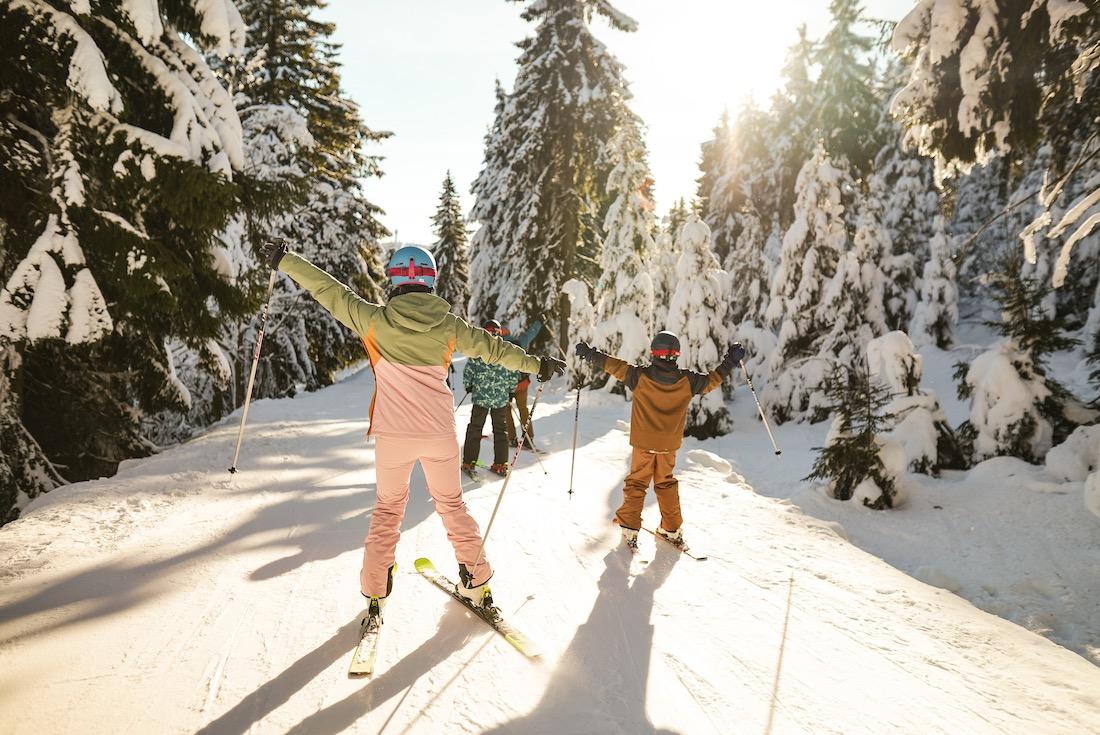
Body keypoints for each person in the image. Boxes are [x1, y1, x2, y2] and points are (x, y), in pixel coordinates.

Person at [260, 241, 565, 624]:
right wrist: (536, 364)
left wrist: (286, 260)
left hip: (393, 436)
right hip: (438, 433)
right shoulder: (450, 325)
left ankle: (375, 590)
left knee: (388, 508)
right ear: (431, 281)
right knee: (452, 506)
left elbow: (329, 289)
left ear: (393, 280)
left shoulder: (373, 320)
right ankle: (476, 581)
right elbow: (494, 349)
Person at [573, 331, 745, 549]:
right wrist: (730, 361)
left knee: (637, 481)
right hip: (668, 445)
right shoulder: (688, 380)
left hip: (643, 443)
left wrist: (590, 354)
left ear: (654, 353)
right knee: (665, 483)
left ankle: (630, 525)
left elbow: (613, 365)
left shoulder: (639, 376)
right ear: (676, 354)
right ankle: (671, 529)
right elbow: (713, 380)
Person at [461, 319, 521, 477]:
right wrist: (511, 390)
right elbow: (513, 372)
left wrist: (468, 385)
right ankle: (501, 464)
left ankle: (469, 462)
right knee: (500, 431)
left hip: (481, 397)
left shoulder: (478, 350)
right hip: (500, 399)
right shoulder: (505, 350)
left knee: (475, 429)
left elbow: (469, 370)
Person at [503, 320, 543, 448]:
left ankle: (511, 438)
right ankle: (528, 438)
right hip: (522, 384)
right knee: (523, 410)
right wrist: (539, 322)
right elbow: (531, 333)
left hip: (506, 386)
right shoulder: (519, 342)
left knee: (507, 411)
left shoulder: (498, 347)